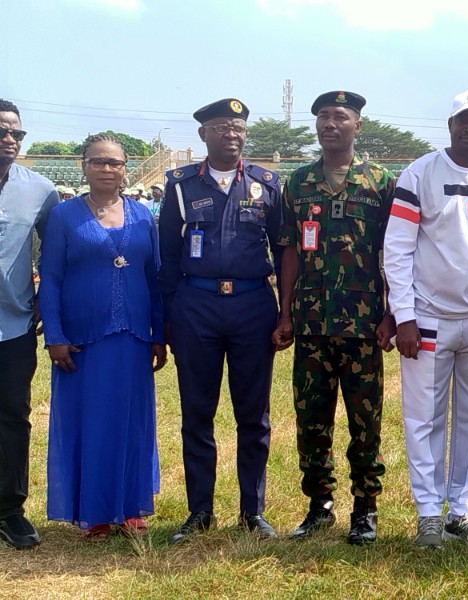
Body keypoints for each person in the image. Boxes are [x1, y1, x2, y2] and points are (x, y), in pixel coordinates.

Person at [383, 88, 468, 548]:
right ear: (450, 125)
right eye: (464, 119)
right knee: (423, 418)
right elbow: (397, 249)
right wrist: (404, 315)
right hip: (428, 316)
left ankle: (461, 510)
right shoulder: (420, 173)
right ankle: (428, 512)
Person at [272, 90, 396, 545]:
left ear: (357, 125)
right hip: (311, 322)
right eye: (323, 116)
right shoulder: (299, 182)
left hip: (364, 324)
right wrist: (285, 313)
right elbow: (289, 250)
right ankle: (319, 505)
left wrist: (392, 313)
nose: (330, 124)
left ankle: (365, 507)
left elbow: (396, 252)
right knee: (311, 419)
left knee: (366, 421)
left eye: (340, 116)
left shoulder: (380, 182)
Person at [159, 98, 283, 543]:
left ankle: (253, 511)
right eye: (221, 127)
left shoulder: (267, 184)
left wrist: (285, 311)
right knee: (197, 412)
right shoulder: (180, 186)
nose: (231, 134)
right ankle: (200, 511)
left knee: (254, 414)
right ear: (203, 134)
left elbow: (283, 250)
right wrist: (168, 319)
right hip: (197, 306)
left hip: (252, 306)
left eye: (238, 128)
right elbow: (168, 257)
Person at [38, 133, 166, 541]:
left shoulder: (143, 215)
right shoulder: (64, 216)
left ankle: (130, 508)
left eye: (115, 162)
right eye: (98, 161)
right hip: (81, 342)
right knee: (90, 422)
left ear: (126, 168)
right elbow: (51, 279)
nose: (107, 169)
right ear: (84, 166)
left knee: (131, 423)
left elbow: (155, 278)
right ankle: (94, 512)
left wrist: (159, 334)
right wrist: (54, 335)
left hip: (133, 339)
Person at [0, 99, 59, 549]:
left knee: (11, 417)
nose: (11, 139)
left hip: (12, 325)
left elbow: (54, 252)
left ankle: (8, 510)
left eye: (17, 133)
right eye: (3, 131)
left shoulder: (40, 190)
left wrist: (45, 297)